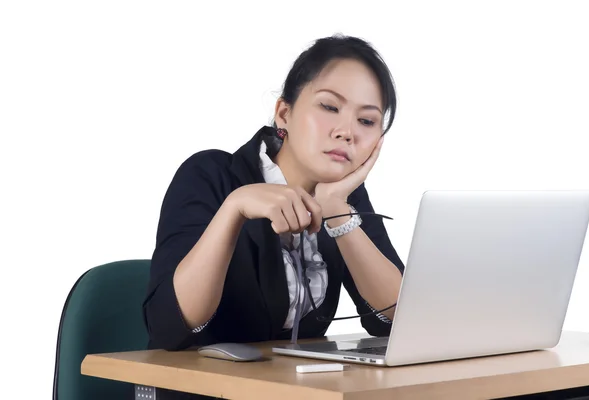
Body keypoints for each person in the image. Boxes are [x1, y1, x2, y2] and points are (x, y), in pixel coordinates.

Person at [142, 34, 405, 399]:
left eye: (366, 120)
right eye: (330, 107)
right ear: (285, 113)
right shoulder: (211, 174)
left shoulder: (344, 198)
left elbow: (395, 320)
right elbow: (170, 327)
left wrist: (336, 211)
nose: (347, 132)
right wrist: (234, 208)